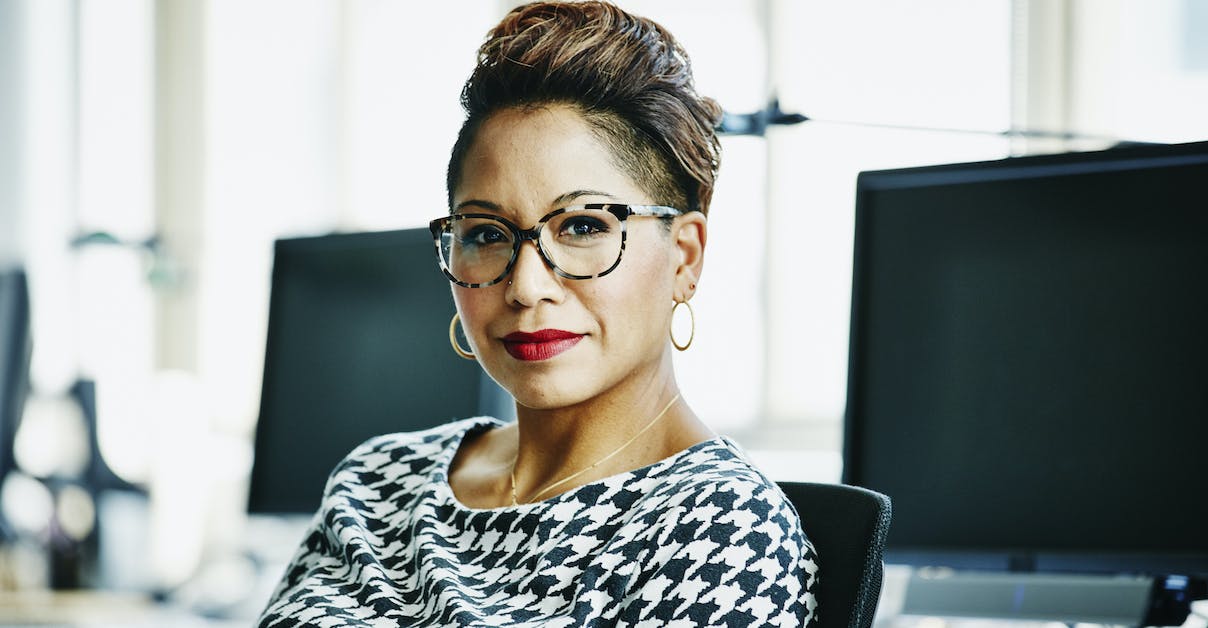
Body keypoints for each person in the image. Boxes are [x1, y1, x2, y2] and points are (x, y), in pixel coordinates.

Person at [258, 2, 817, 626]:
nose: (525, 287)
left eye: (582, 226)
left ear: (683, 257)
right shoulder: (376, 484)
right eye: (487, 234)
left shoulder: (722, 530)